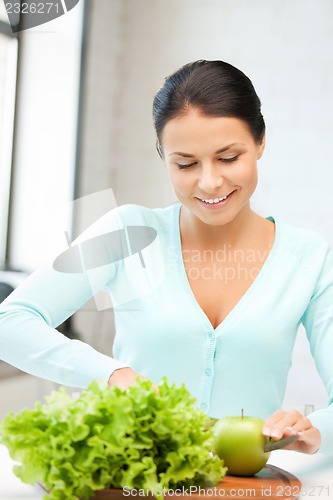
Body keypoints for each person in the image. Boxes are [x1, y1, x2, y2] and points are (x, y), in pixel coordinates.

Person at [0, 60, 332, 457]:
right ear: (164, 157)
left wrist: (315, 430)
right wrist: (112, 373)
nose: (209, 182)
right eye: (186, 163)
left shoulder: (309, 257)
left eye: (228, 158)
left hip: (244, 488)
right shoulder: (126, 232)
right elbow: (10, 322)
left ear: (260, 142)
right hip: (130, 485)